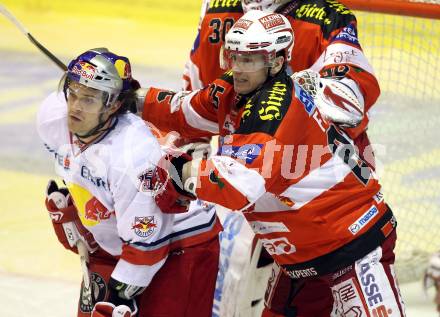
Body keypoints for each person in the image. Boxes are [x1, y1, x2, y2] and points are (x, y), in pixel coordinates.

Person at [137, 10, 406, 316]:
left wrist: (178, 172)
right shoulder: (234, 87)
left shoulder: (274, 106)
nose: (237, 68)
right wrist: (134, 98)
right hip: (303, 257)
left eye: (248, 60)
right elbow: (185, 112)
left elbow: (238, 184)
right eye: (234, 57)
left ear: (276, 62)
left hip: (353, 244)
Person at [37, 48, 221, 317]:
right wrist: (83, 214)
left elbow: (148, 244)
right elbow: (84, 172)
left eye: (89, 99)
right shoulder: (53, 117)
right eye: (73, 92)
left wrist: (120, 295)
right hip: (124, 239)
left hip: (180, 245)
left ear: (113, 105)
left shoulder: (133, 155)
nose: (75, 106)